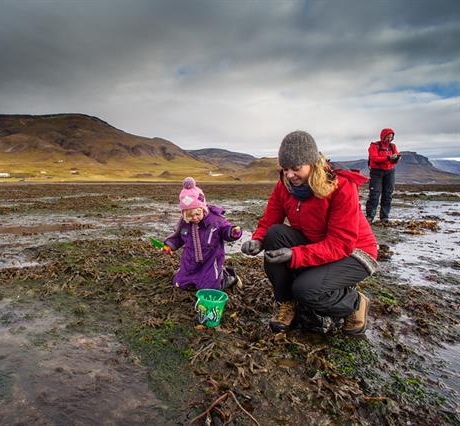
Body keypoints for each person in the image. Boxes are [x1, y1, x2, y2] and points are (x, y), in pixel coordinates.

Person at [241, 131, 378, 335]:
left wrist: (296, 255)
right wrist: (258, 240)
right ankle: (287, 303)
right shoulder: (285, 185)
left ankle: (355, 303)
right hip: (318, 245)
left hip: (354, 253)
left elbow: (341, 243)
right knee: (273, 234)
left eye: (296, 169)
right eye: (285, 169)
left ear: (313, 163)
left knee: (306, 290)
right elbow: (270, 218)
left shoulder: (341, 186)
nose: (289, 175)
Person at [162, 177, 243, 291]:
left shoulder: (215, 220)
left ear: (203, 208)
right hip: (190, 261)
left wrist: (233, 232)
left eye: (197, 213)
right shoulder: (184, 223)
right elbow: (178, 237)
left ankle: (228, 276)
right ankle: (184, 274)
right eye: (190, 215)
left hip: (210, 260)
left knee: (210, 288)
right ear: (184, 214)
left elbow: (226, 230)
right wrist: (169, 245)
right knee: (179, 284)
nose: (194, 218)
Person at [366, 128, 400, 222]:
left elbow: (394, 159)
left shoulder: (392, 146)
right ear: (383, 136)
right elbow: (374, 158)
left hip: (390, 172)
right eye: (387, 137)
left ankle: (384, 217)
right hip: (376, 172)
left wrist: (396, 158)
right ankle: (370, 216)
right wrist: (389, 157)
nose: (389, 139)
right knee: (374, 194)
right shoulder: (374, 145)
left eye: (391, 137)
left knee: (388, 194)